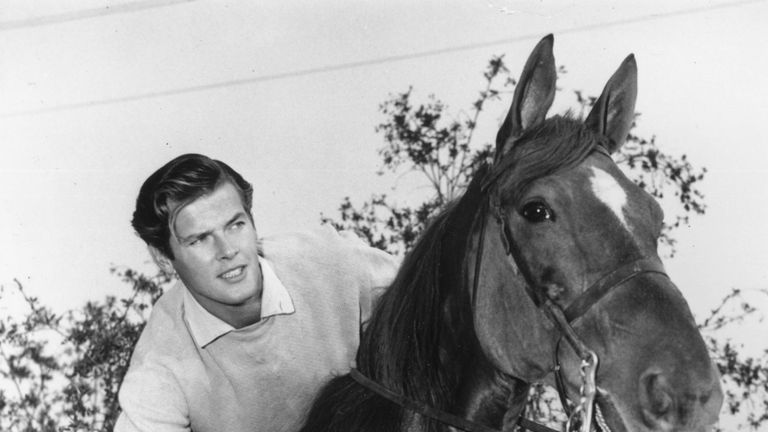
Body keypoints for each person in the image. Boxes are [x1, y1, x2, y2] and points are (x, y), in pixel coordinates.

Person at [114, 153, 398, 432]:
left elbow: (428, 305)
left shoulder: (333, 260)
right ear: (163, 258)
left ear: (252, 222)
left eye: (236, 225)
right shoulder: (160, 365)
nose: (227, 251)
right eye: (200, 239)